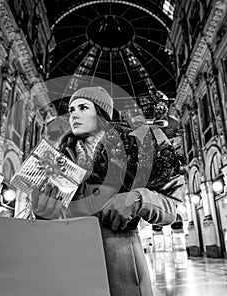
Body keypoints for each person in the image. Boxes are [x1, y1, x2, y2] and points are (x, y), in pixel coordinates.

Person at [31, 86, 184, 296]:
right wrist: (43, 214)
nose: (73, 114)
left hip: (121, 274)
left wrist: (138, 199)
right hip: (72, 271)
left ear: (102, 115)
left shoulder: (135, 148)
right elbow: (52, 220)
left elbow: (171, 208)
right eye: (71, 108)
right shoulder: (59, 159)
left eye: (83, 107)